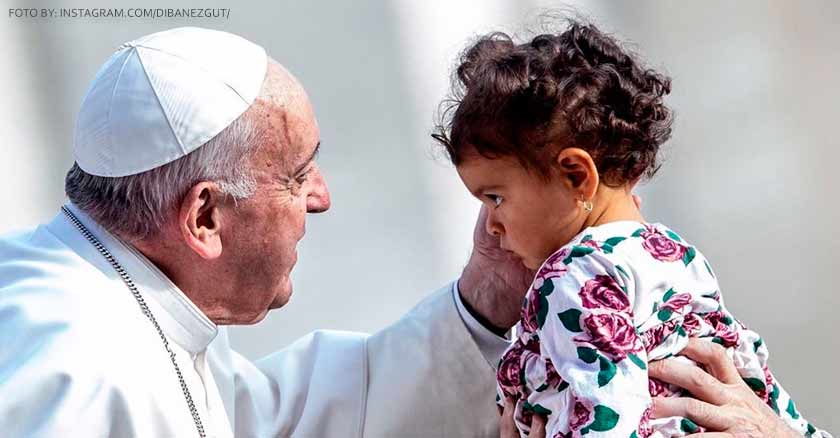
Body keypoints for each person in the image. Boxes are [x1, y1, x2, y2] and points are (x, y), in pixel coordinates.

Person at [0, 26, 814, 438]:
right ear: (205, 218)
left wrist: (484, 307)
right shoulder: (73, 373)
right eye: (296, 175)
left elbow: (276, 422)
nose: (320, 198)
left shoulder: (111, 304)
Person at [432, 19, 831, 438]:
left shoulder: (570, 277)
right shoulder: (677, 254)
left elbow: (609, 419)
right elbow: (754, 380)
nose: (490, 226)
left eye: (495, 197)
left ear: (575, 175)